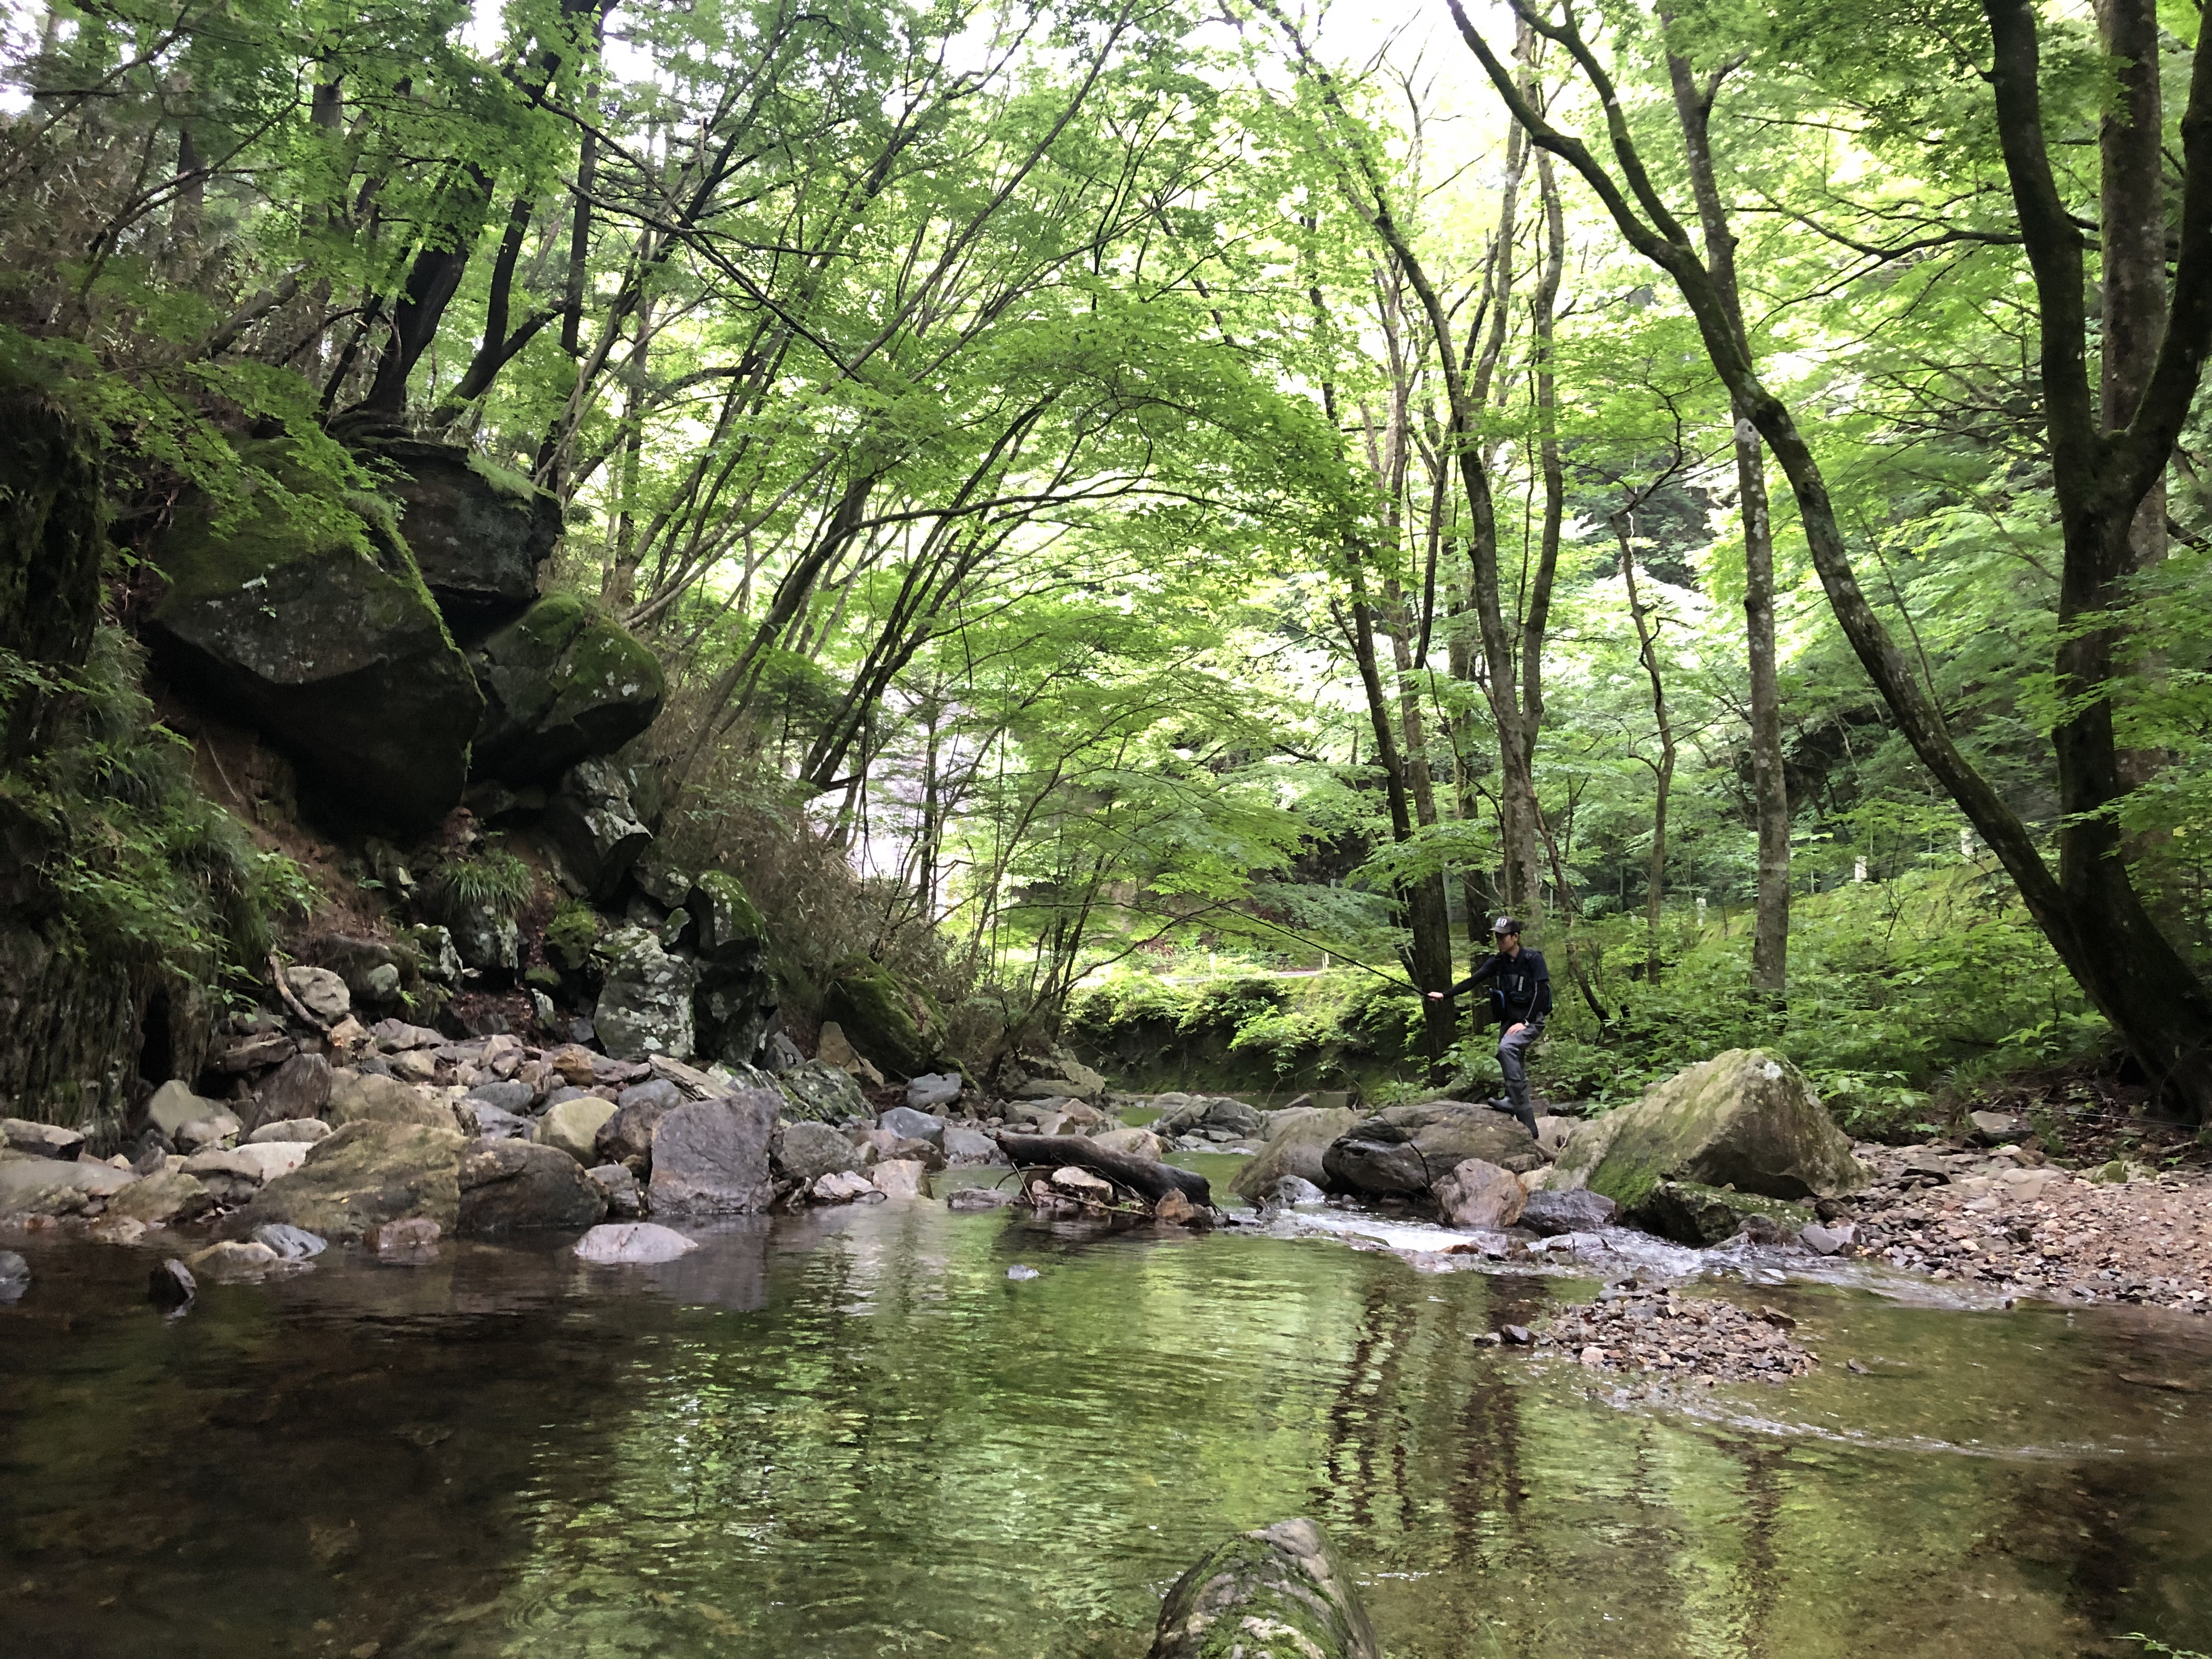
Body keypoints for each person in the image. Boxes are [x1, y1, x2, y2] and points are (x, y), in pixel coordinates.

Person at [1426, 916, 1550, 1137]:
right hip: (1510, 1022)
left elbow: (1541, 992)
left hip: (1531, 1020)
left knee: (1507, 1049)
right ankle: (1530, 1129)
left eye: (1503, 936)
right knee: (1513, 1065)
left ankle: (1513, 1101)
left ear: (1515, 937)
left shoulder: (1533, 959)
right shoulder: (1498, 962)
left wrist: (1526, 1022)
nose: (1499, 940)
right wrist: (1445, 995)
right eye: (1497, 936)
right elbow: (1473, 980)